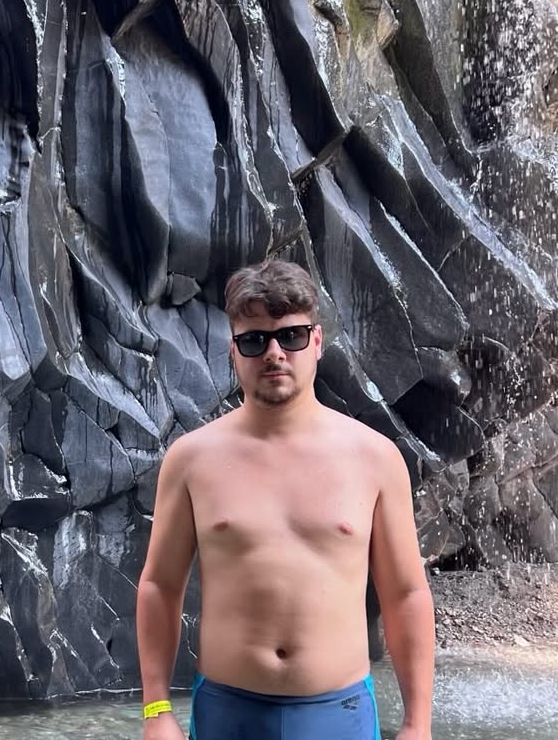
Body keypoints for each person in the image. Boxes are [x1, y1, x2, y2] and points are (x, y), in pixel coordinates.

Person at [136, 259, 434, 740]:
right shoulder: (191, 459)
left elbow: (406, 595)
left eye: (291, 336)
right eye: (254, 341)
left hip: (338, 715)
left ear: (316, 342)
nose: (274, 353)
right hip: (228, 714)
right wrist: (156, 711)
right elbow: (159, 586)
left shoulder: (374, 458)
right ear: (234, 351)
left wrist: (418, 724)